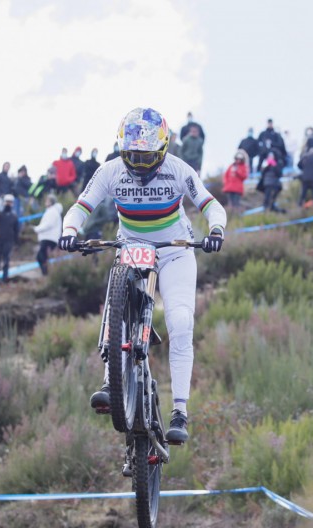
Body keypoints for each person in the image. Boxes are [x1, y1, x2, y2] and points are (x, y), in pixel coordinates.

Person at [58, 107, 227, 444]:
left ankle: (180, 411)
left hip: (175, 248)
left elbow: (210, 204)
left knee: (180, 322)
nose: (139, 165)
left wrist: (217, 229)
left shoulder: (180, 169)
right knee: (115, 292)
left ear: (162, 151)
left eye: (148, 158)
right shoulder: (110, 171)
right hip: (131, 244)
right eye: (132, 156)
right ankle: (112, 379)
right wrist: (70, 230)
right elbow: (81, 205)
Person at [0, 194, 19, 285]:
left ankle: (4, 279)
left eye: (10, 202)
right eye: (7, 202)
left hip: (8, 241)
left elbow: (16, 230)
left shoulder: (14, 216)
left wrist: (16, 242)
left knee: (6, 260)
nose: (8, 204)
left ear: (12, 203)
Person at [33, 194, 62, 275]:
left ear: (51, 202)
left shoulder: (52, 211)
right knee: (43, 257)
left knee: (41, 257)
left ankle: (46, 274)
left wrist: (36, 229)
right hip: (49, 238)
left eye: (47, 200)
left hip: (49, 238)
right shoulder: (52, 211)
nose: (46, 202)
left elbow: (48, 224)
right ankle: (46, 274)